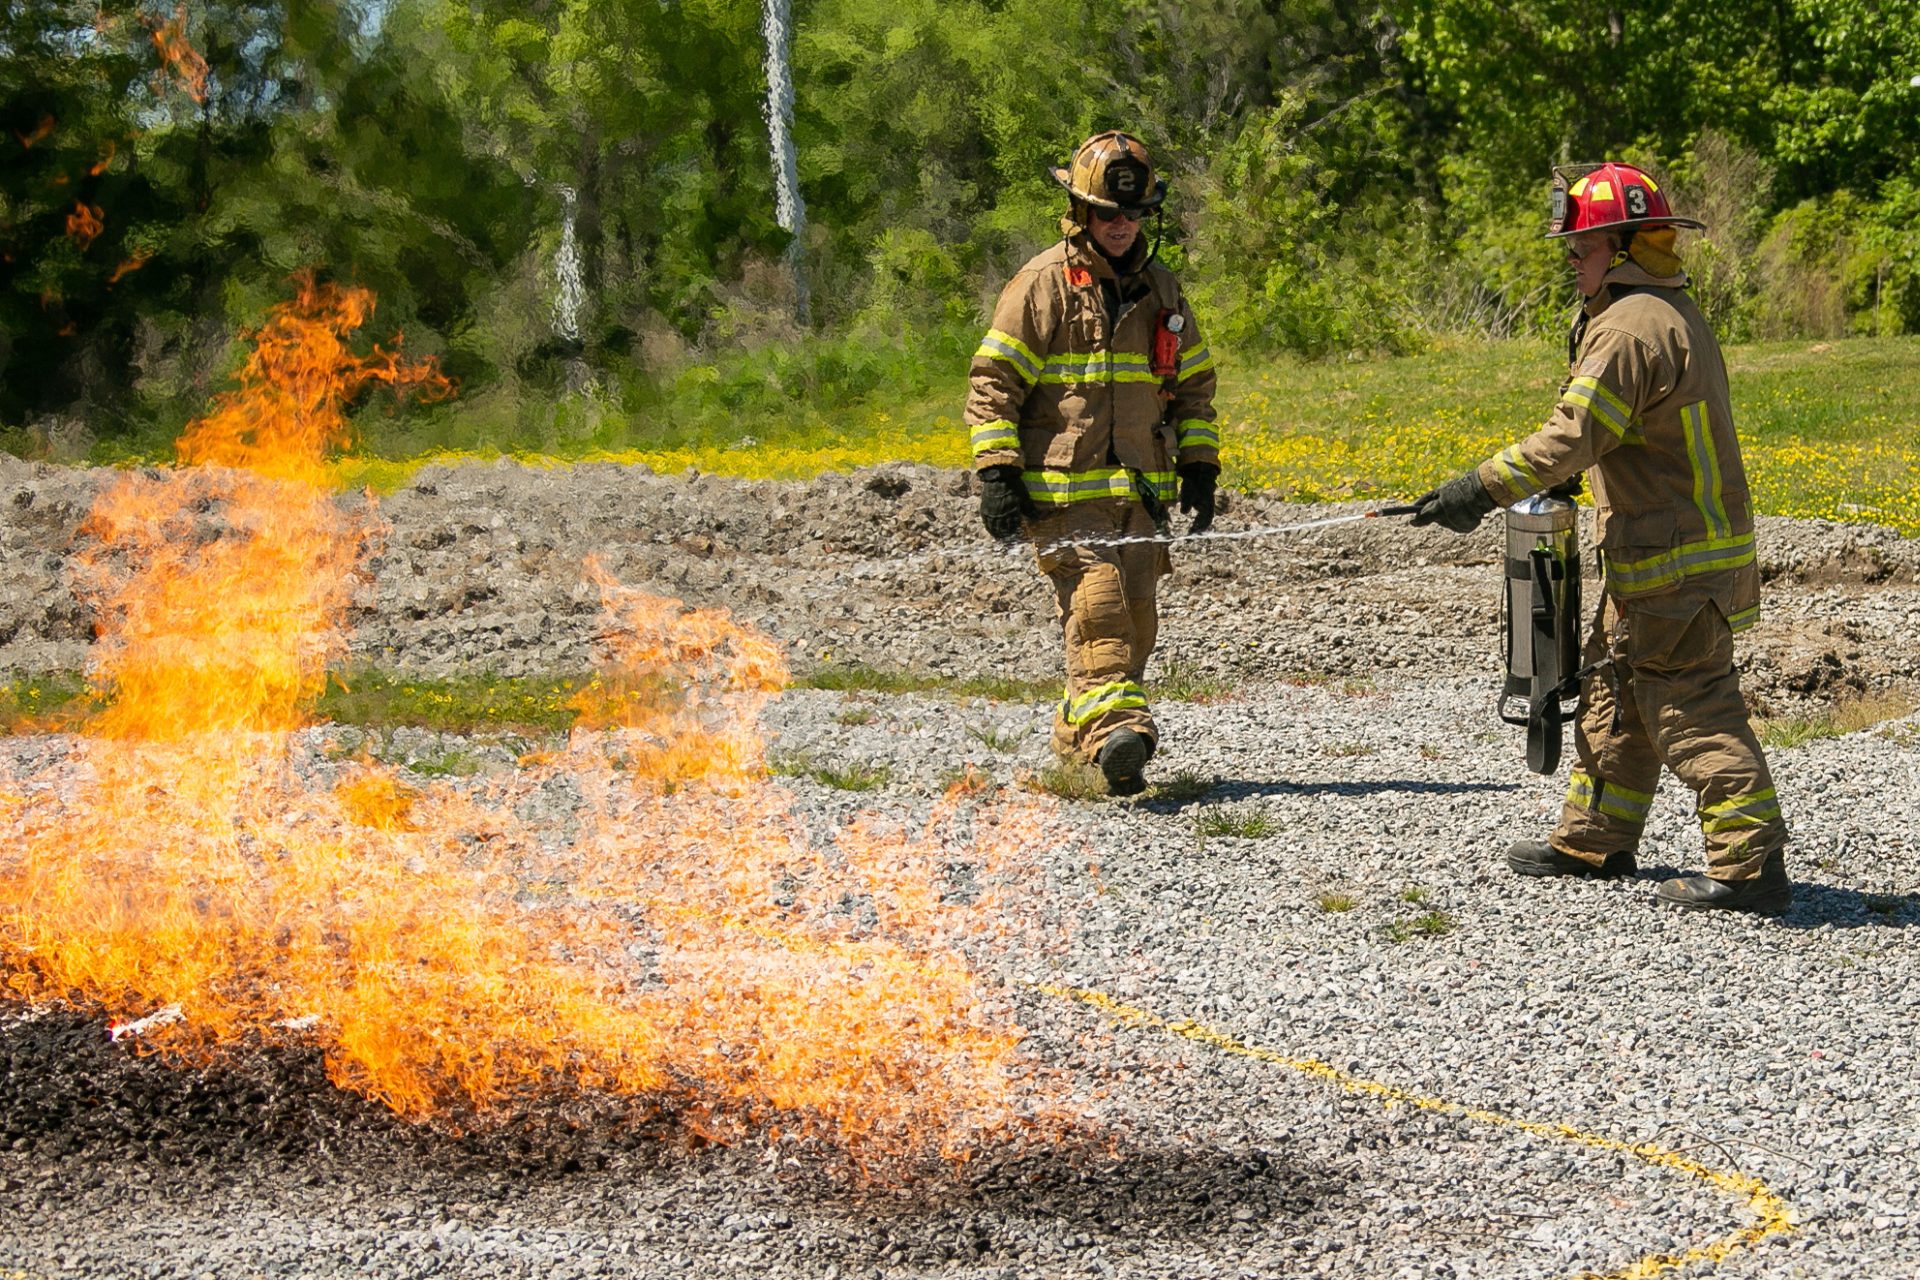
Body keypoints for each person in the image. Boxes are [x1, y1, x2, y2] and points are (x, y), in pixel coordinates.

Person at [1410, 161, 1790, 913]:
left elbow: (1569, 438)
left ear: (1619, 248)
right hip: (1659, 555)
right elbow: (1615, 435)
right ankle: (1594, 840)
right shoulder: (1657, 308)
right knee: (1616, 694)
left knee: (1690, 707)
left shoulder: (1628, 327)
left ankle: (1750, 869)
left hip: (1675, 562)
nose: (1570, 263)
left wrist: (1475, 490)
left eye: (1580, 249)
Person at [963, 130, 1219, 796]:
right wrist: (996, 473)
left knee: (1135, 626)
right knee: (1099, 612)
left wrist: (1200, 467)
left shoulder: (1162, 289)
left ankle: (1078, 738)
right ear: (1080, 211)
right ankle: (1118, 738)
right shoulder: (1043, 283)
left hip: (1140, 496)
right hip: (1063, 497)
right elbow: (994, 383)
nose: (1120, 225)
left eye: (1132, 214)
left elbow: (1192, 386)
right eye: (1107, 213)